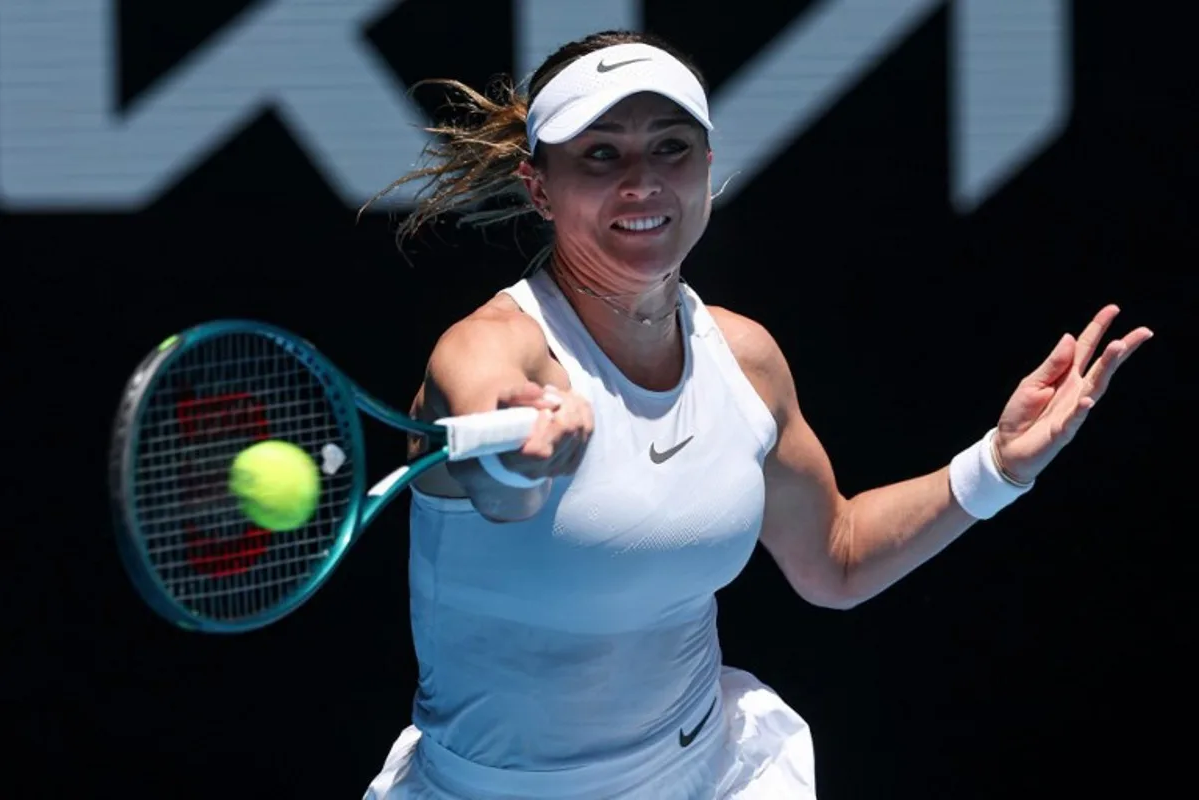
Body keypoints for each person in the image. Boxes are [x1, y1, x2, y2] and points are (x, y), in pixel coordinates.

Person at [361, 30, 1152, 800]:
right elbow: (494, 480)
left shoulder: (744, 359)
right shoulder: (484, 349)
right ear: (540, 186)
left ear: (707, 168)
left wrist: (1000, 465)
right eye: (600, 154)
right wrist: (522, 456)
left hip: (709, 772)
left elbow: (835, 559)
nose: (641, 181)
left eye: (670, 147)